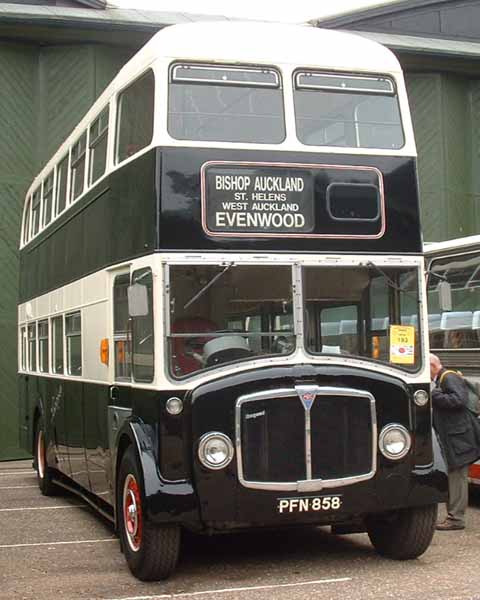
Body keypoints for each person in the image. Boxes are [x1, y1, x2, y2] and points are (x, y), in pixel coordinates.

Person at [430, 353, 480, 530]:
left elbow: (459, 400)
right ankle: (453, 516)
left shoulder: (448, 377)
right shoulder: (445, 378)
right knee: (454, 476)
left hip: (460, 439)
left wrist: (434, 395)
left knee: (457, 478)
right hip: (456, 438)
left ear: (432, 365)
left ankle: (456, 518)